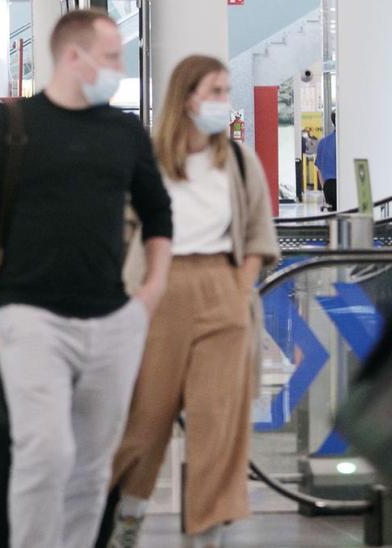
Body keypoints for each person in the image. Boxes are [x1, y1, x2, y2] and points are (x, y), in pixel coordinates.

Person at [0, 10, 173, 548]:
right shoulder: (12, 125)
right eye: (113, 56)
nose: (121, 68)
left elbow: (158, 213)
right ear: (73, 56)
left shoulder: (125, 132)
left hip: (112, 319)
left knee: (92, 466)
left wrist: (151, 291)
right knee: (45, 449)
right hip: (30, 312)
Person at [106, 55, 279, 548]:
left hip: (222, 285)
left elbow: (258, 236)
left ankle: (208, 530)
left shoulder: (240, 163)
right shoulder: (148, 162)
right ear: (186, 98)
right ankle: (128, 513)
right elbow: (122, 229)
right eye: (215, 91)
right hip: (159, 288)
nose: (224, 101)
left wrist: (237, 291)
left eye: (227, 90)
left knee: (216, 419)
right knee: (146, 418)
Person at [315, 110, 337, 211]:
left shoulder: (323, 143)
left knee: (332, 217)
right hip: (342, 185)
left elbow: (319, 170)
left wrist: (324, 189)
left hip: (328, 186)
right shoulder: (346, 142)